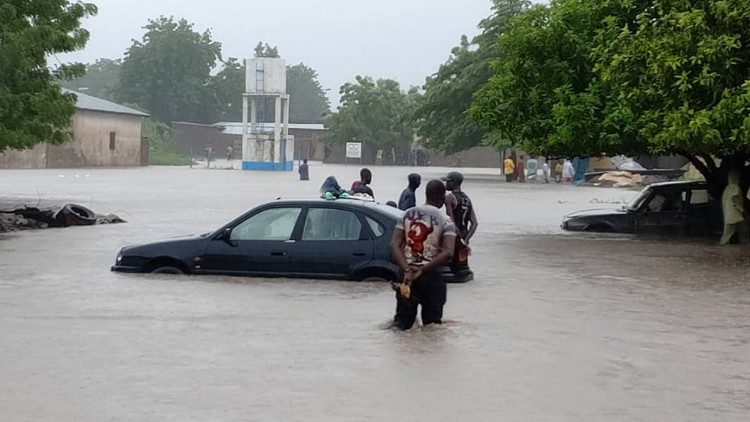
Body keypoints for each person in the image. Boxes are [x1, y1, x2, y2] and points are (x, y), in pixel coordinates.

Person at [390, 180, 457, 330]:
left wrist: (407, 269)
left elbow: (395, 245)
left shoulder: (407, 215)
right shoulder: (446, 221)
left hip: (406, 278)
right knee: (432, 328)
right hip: (432, 277)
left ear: (426, 194)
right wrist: (423, 269)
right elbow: (448, 252)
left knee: (401, 327)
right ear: (441, 196)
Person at [443, 171, 478, 275]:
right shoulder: (467, 199)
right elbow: (475, 223)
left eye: (448, 182)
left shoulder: (449, 198)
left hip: (454, 236)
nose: (446, 184)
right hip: (464, 234)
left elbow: (450, 221)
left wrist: (457, 239)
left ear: (453, 183)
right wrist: (465, 241)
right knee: (462, 263)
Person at [719, 170, 749, 245]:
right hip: (735, 215)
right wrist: (742, 210)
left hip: (729, 215)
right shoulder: (735, 187)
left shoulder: (727, 188)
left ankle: (724, 244)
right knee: (745, 230)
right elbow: (735, 199)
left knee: (727, 233)